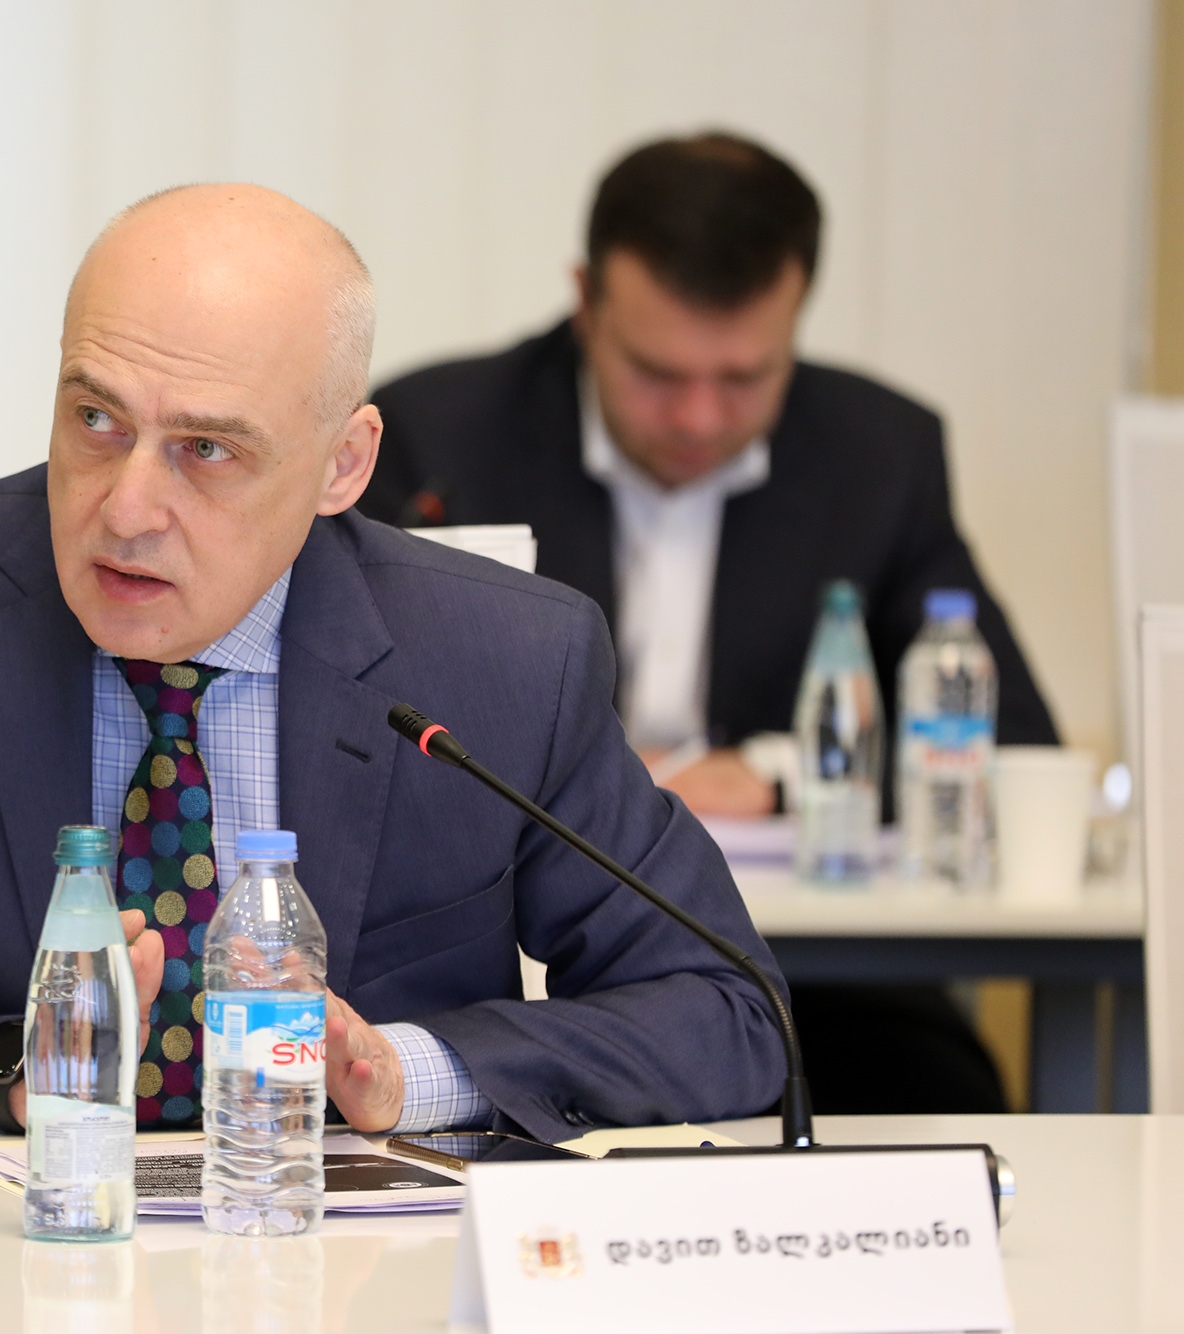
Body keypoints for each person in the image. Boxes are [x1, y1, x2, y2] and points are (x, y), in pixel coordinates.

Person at [0, 184, 790, 1140]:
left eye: (205, 448)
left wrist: (402, 1070)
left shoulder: (505, 660)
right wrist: (14, 1069)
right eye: (96, 420)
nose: (127, 508)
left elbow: (728, 1012)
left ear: (342, 464)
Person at [360, 132, 1053, 1113]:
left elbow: (1003, 736)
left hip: (811, 972)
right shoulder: (438, 435)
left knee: (935, 1092)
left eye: (742, 378)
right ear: (586, 301)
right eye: (656, 372)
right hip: (508, 957)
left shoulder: (877, 453)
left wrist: (775, 775)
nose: (696, 416)